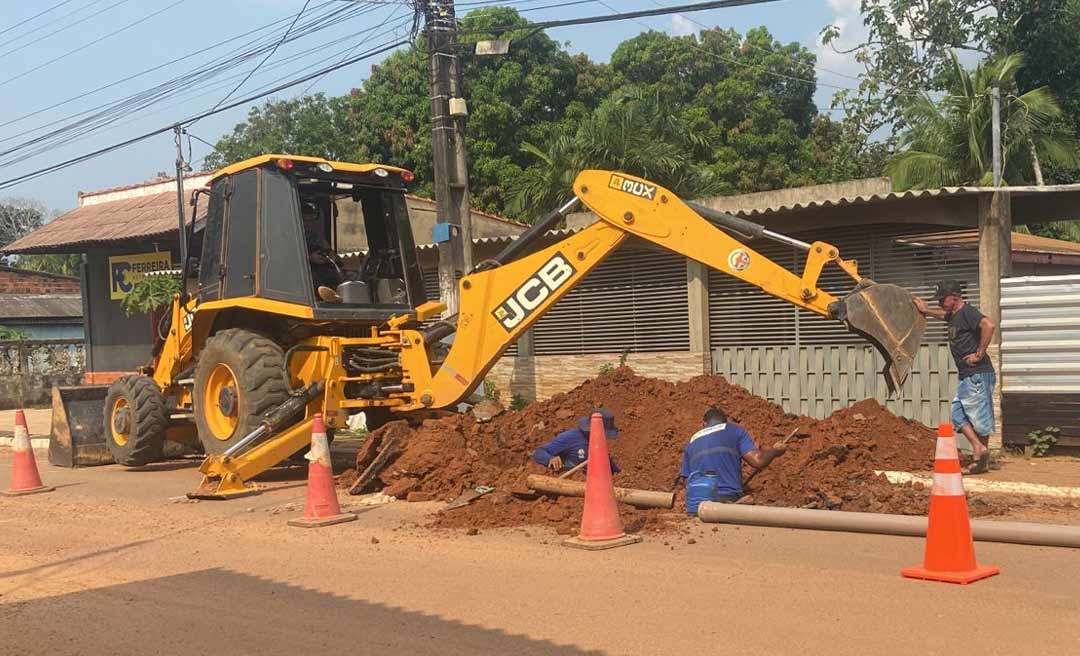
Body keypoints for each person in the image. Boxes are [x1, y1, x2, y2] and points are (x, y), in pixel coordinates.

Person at [913, 279, 997, 474]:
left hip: (977, 374)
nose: (940, 303)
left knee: (978, 417)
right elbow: (944, 315)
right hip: (967, 374)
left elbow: (989, 325)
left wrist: (979, 353)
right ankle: (980, 450)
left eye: (943, 299)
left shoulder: (968, 312)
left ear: (956, 297)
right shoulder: (955, 315)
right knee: (958, 414)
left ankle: (979, 459)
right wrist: (926, 311)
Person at [675, 406, 786, 515]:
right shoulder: (735, 431)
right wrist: (775, 451)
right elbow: (758, 461)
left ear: (704, 424)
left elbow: (687, 481)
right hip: (727, 499)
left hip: (698, 505)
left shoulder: (691, 442)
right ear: (724, 422)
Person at [532, 408, 621, 475]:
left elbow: (612, 469)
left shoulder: (599, 445)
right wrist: (550, 459)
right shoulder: (569, 438)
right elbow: (539, 452)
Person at [302, 202, 343, 302]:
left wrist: (331, 255)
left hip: (323, 269)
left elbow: (329, 251)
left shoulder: (317, 236)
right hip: (305, 273)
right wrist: (309, 258)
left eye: (312, 220)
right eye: (306, 220)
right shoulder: (293, 234)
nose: (310, 223)